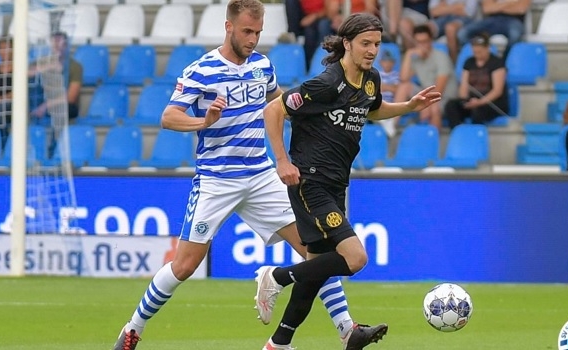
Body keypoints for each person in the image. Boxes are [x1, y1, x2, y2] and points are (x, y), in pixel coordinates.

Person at [112, 1, 374, 349]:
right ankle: (133, 328)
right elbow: (169, 117)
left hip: (260, 176)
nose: (253, 39)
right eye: (247, 32)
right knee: (185, 265)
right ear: (229, 27)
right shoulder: (202, 70)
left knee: (315, 251)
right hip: (217, 180)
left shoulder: (263, 67)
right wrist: (202, 122)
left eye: (258, 33)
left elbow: (279, 104)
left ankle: (346, 328)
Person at [255, 13, 441, 350]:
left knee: (315, 270)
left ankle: (279, 343)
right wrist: (281, 160)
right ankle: (276, 276)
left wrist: (410, 106)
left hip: (336, 185)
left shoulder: (370, 80)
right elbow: (273, 110)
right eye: (365, 44)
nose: (372, 50)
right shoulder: (326, 84)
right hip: (310, 182)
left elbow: (373, 109)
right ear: (347, 44)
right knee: (355, 258)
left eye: (377, 44)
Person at [392, 24, 456, 131]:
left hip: (446, 98)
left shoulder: (441, 57)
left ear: (431, 41)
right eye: (418, 42)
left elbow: (439, 89)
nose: (422, 45)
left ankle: (433, 140)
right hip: (427, 94)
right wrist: (408, 54)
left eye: (425, 41)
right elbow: (403, 79)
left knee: (433, 108)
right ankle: (393, 123)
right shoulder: (416, 58)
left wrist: (424, 103)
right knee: (405, 86)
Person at [443, 33, 507, 128]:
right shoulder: (469, 62)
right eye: (475, 52)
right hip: (473, 100)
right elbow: (464, 85)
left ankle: (475, 136)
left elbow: (497, 91)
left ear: (487, 48)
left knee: (478, 111)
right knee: (451, 106)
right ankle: (457, 133)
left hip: (491, 102)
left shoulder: (497, 63)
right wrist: (464, 101)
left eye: (480, 52)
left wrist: (480, 102)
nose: (477, 55)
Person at [30, 31, 83, 122]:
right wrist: (48, 67)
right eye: (54, 42)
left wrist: (46, 105)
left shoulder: (75, 66)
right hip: (40, 100)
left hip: (62, 105)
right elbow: (22, 74)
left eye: (60, 42)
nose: (56, 45)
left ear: (66, 45)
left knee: (66, 108)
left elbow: (71, 97)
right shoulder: (42, 61)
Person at [457, 0, 531, 59]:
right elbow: (487, 9)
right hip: (493, 20)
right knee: (463, 33)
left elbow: (521, 9)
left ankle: (502, 64)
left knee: (515, 35)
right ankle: (481, 60)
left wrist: (497, 6)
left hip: (514, 20)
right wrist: (510, 4)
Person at [283, 0, 333, 70]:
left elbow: (330, 10)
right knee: (309, 31)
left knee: (320, 27)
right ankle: (292, 36)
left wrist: (314, 16)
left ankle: (317, 64)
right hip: (305, 17)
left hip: (322, 17)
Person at [376, 49, 399, 137]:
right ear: (381, 62)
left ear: (393, 63)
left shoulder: (396, 75)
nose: (387, 63)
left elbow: (397, 90)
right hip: (379, 102)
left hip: (391, 102)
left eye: (390, 61)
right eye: (385, 61)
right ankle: (385, 124)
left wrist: (384, 86)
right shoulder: (377, 74)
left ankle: (386, 124)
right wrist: (390, 87)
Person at [0, 36, 13, 149]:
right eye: (2, 48)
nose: (4, 52)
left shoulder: (20, 69)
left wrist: (3, 99)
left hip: (12, 105)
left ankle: (5, 146)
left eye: (7, 48)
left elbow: (20, 91)